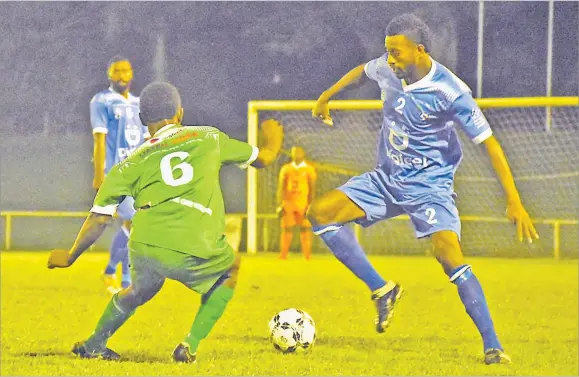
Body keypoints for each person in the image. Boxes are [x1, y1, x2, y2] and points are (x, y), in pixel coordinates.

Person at [310, 14, 538, 365]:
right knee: (321, 213)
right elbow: (362, 72)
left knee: (449, 256)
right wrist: (327, 95)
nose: (389, 60)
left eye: (396, 53)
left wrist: (514, 200)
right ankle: (382, 290)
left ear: (419, 50)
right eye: (387, 52)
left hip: (430, 187)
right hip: (385, 180)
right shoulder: (388, 69)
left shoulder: (450, 90)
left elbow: (490, 144)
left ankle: (492, 346)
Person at [48, 82, 284, 363]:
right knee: (230, 270)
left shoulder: (128, 164)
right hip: (194, 243)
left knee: (139, 289)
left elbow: (99, 218)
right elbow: (265, 158)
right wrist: (273, 137)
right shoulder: (208, 137)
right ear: (180, 113)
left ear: (141, 119)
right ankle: (190, 344)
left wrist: (70, 256)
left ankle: (94, 345)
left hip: (146, 244)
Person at [90, 56, 148, 293]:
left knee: (134, 225)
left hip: (137, 175)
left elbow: (147, 143)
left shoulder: (139, 103)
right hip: (116, 173)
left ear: (132, 74)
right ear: (109, 75)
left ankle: (116, 275)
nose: (122, 75)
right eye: (117, 71)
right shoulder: (102, 101)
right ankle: (118, 275)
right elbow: (99, 139)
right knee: (133, 223)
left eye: (126, 71)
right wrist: (99, 176)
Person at [276, 146, 317, 260]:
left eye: (298, 151)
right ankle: (283, 255)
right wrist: (280, 204)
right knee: (287, 228)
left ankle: (307, 257)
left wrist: (310, 205)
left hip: (303, 203)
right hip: (288, 203)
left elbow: (312, 189)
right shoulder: (286, 168)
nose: (296, 153)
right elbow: (281, 187)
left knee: (305, 229)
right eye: (294, 152)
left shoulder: (309, 169)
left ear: (303, 153)